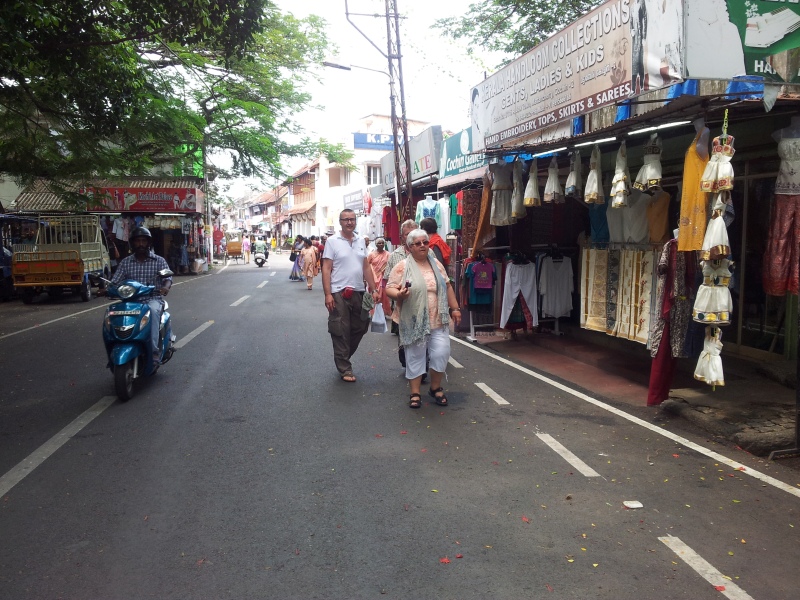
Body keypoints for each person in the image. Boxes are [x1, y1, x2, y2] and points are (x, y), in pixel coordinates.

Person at [385, 228, 461, 409]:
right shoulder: (402, 266)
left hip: (438, 319)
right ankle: (415, 392)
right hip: (414, 320)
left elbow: (447, 286)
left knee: (441, 352)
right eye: (417, 243)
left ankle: (435, 388)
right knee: (415, 356)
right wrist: (400, 295)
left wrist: (455, 308)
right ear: (410, 247)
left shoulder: (436, 264)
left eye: (425, 242)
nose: (422, 246)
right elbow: (389, 288)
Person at [321, 209, 380, 382]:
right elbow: (326, 268)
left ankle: (343, 356)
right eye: (346, 219)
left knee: (361, 326)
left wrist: (374, 289)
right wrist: (328, 294)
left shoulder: (361, 240)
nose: (349, 222)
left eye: (352, 219)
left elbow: (366, 267)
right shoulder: (332, 241)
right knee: (340, 328)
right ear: (340, 222)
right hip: (338, 291)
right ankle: (345, 368)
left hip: (358, 291)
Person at [106, 227, 172, 371]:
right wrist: (106, 289)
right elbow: (115, 282)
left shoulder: (159, 261)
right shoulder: (126, 262)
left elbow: (167, 278)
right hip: (131, 302)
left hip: (152, 299)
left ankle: (154, 353)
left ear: (148, 243)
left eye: (143, 241)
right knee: (111, 313)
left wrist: (165, 287)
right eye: (137, 241)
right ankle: (114, 349)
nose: (141, 244)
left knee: (153, 312)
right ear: (132, 243)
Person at [367, 237, 390, 315]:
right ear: (376, 244)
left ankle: (383, 312)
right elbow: (367, 265)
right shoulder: (371, 254)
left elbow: (389, 265)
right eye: (379, 243)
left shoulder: (388, 254)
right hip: (373, 278)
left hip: (383, 278)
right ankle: (374, 312)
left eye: (382, 243)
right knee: (374, 294)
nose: (381, 244)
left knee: (383, 294)